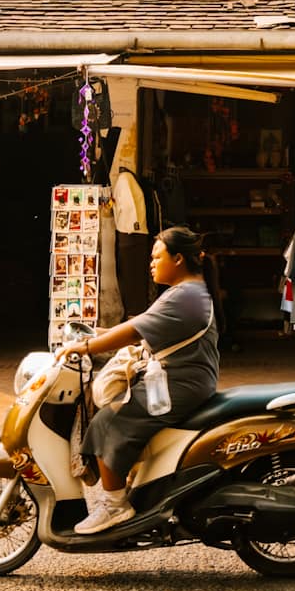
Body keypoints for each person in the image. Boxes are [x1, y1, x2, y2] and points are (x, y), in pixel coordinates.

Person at [68, 226, 220, 534]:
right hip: (179, 377)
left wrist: (85, 346)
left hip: (179, 383)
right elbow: (140, 324)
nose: (151, 263)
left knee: (107, 422)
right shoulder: (184, 291)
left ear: (177, 259)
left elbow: (135, 331)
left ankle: (114, 505)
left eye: (156, 257)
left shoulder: (186, 294)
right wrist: (95, 334)